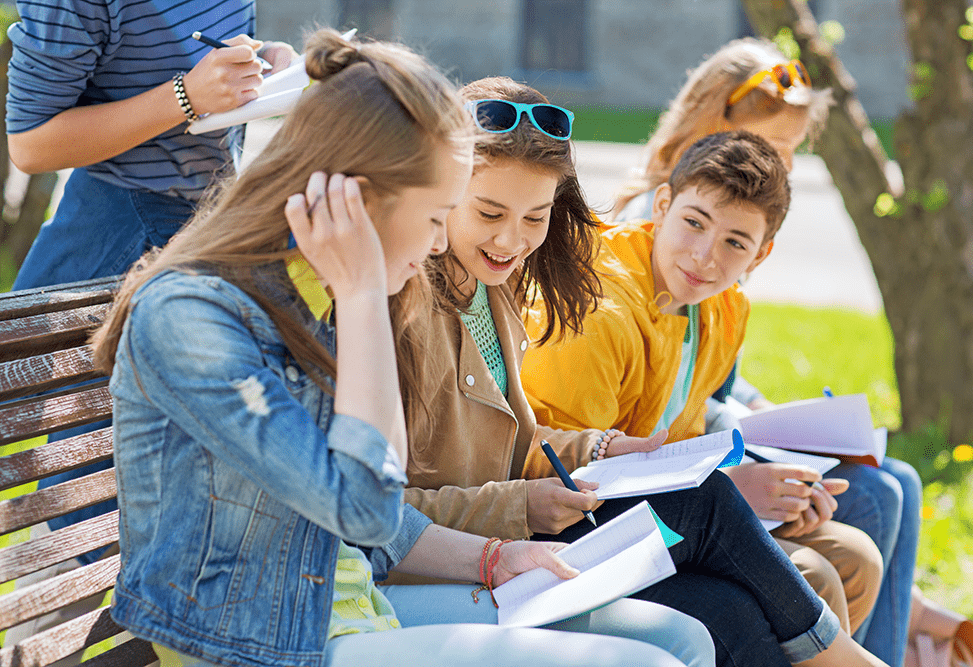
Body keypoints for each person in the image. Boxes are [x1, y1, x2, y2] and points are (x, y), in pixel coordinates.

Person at [87, 29, 694, 667]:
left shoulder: (321, 292)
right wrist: (361, 295)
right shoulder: (196, 319)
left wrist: (494, 556)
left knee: (677, 639)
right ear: (361, 197)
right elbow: (369, 505)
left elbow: (368, 518)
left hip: (350, 612)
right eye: (437, 215)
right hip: (256, 641)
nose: (439, 244)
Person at [389, 76, 886, 667]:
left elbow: (508, 444)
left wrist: (601, 448)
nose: (511, 239)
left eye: (535, 217)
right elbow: (382, 513)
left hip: (514, 531)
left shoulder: (491, 287)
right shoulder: (407, 307)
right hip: (458, 559)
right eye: (490, 212)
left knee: (730, 604)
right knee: (710, 513)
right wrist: (523, 504)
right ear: (442, 191)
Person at [613, 38, 921, 666]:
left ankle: (890, 640)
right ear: (712, 131)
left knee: (895, 483)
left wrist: (775, 419)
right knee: (873, 496)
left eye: (788, 152)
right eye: (767, 148)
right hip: (653, 487)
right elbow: (621, 438)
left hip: (690, 459)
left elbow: (706, 389)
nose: (775, 166)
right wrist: (746, 456)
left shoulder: (721, 272)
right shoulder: (659, 247)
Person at [4, 0, 298, 562]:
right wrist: (185, 96)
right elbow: (31, 142)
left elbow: (178, 52)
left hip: (200, 228)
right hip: (122, 237)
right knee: (99, 507)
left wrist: (257, 67)